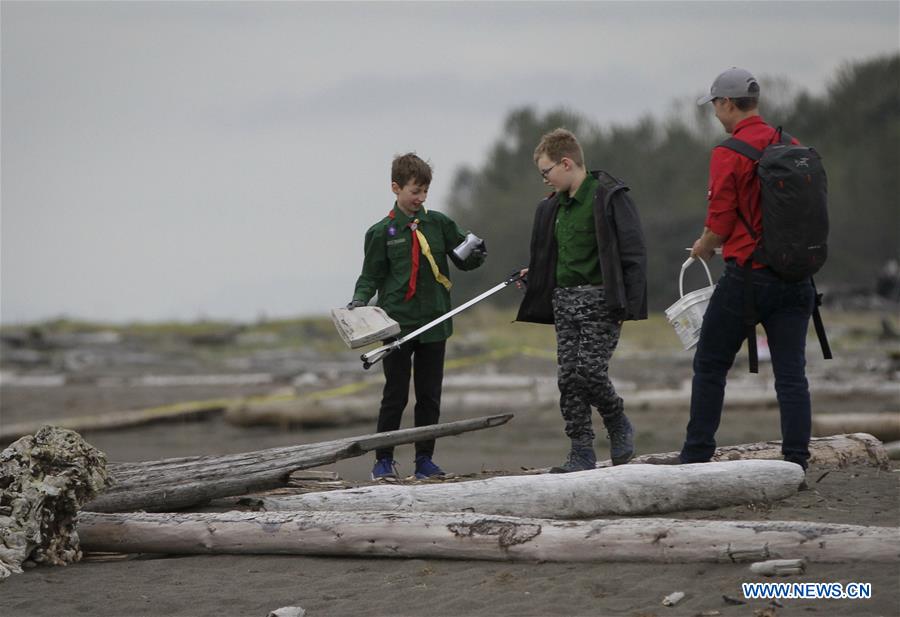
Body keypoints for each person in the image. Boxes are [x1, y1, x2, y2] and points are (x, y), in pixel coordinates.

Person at [679, 67, 815, 469]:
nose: (715, 113)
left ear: (726, 103)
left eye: (715, 105)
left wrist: (702, 248)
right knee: (791, 374)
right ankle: (796, 460)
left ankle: (697, 454)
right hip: (797, 276)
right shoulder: (792, 144)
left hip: (747, 278)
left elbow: (720, 222)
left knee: (710, 363)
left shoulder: (729, 152)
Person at [348, 153, 486, 480]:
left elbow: (464, 259)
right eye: (415, 192)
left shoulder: (439, 223)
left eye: (425, 192)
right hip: (396, 325)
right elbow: (370, 276)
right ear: (396, 188)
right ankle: (383, 461)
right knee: (395, 395)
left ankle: (425, 460)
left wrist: (477, 253)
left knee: (429, 396)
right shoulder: (381, 232)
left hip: (435, 322)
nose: (421, 198)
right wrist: (357, 301)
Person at [517, 128, 647, 472]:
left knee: (590, 371)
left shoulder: (609, 197)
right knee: (568, 379)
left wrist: (627, 307)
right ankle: (580, 451)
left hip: (601, 301)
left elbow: (633, 253)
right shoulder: (550, 209)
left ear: (566, 162)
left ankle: (617, 419)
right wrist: (535, 275)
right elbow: (551, 255)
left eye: (546, 172)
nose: (544, 179)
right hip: (564, 301)